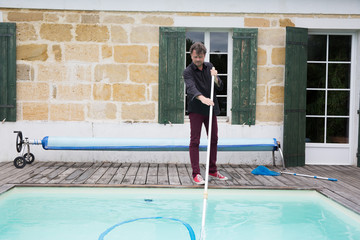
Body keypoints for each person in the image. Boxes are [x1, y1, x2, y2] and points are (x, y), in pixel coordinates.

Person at [183, 42, 228, 185]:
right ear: (191, 55)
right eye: (195, 57)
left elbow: (220, 87)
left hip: (210, 110)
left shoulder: (209, 67)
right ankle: (196, 174)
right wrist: (202, 99)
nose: (198, 59)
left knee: (214, 139)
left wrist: (215, 77)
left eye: (200, 57)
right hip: (196, 110)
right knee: (195, 141)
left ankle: (212, 170)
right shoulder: (188, 71)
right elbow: (191, 88)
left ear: (204, 56)